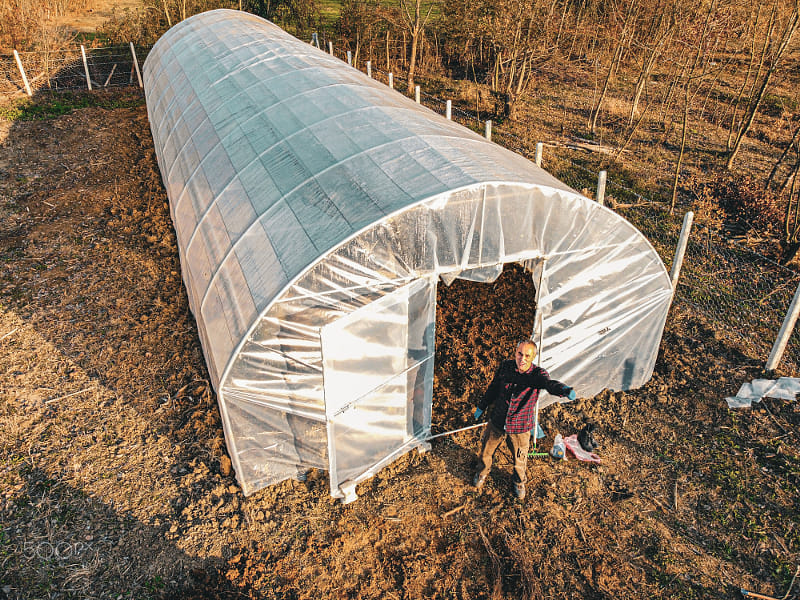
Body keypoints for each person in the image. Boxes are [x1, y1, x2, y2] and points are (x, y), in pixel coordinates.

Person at [471, 339, 576, 500]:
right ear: (515, 352)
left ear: (533, 357)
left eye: (527, 355)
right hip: (498, 420)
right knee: (486, 451)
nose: (522, 358)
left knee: (520, 458)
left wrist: (563, 390)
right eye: (520, 354)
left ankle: (519, 482)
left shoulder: (537, 375)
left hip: (521, 427)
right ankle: (482, 473)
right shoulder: (506, 367)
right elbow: (493, 387)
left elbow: (549, 384)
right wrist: (482, 405)